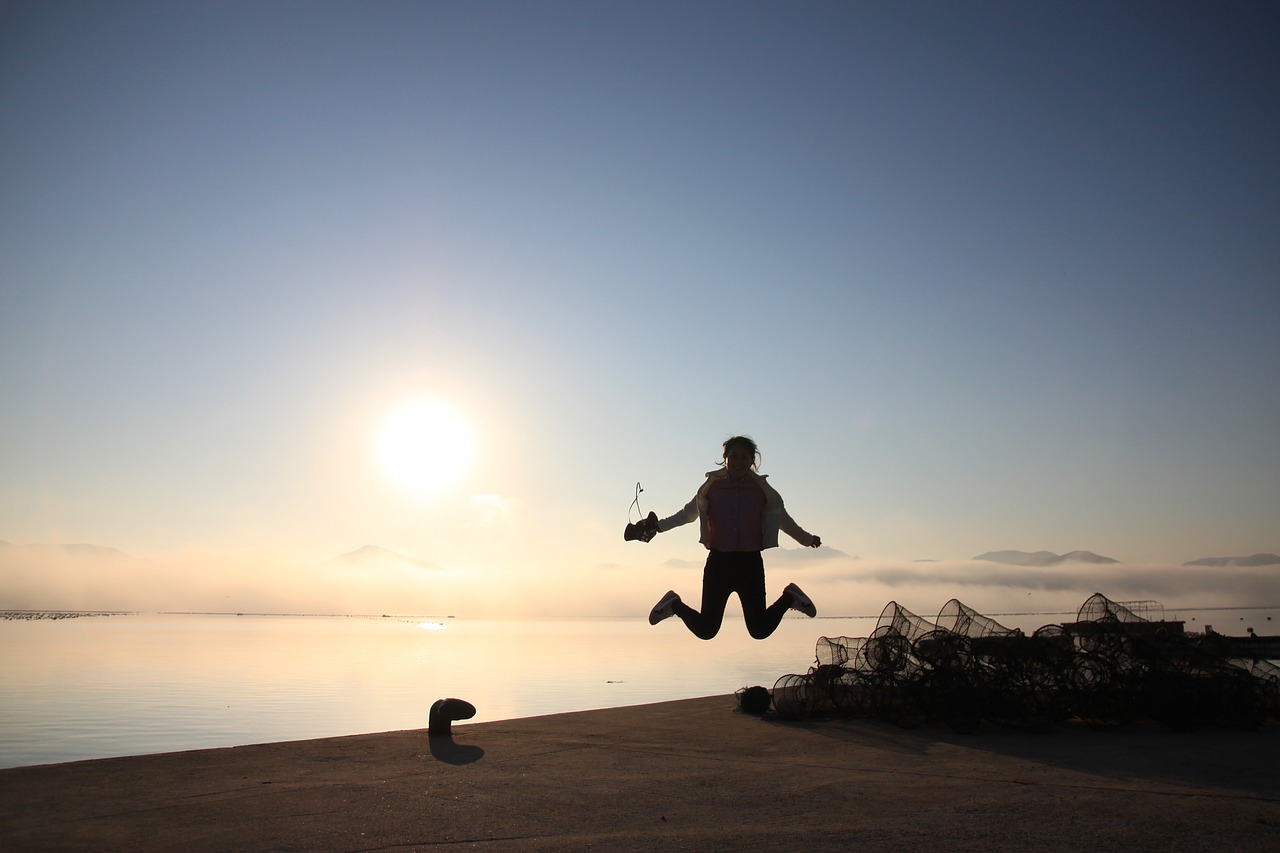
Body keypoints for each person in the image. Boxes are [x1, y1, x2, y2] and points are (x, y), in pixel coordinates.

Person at [634, 435, 821, 640]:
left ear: (752, 460)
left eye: (744, 457)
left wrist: (807, 539)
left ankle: (789, 597)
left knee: (760, 630)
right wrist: (658, 526)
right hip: (719, 563)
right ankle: (673, 604)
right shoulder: (712, 488)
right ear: (725, 459)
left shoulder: (761, 491)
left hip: (750, 565)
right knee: (706, 630)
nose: (739, 461)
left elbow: (782, 520)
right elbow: (687, 514)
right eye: (734, 456)